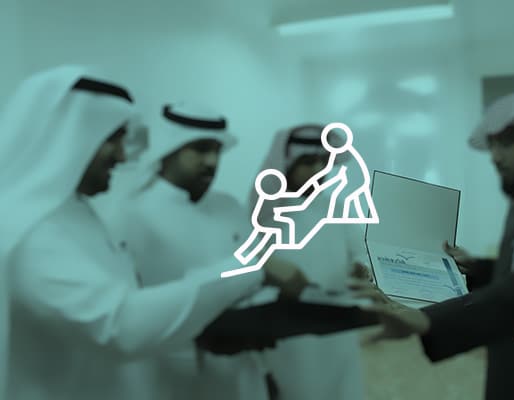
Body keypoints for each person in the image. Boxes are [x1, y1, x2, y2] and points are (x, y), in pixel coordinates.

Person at [0, 66, 306, 400]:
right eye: (111, 139)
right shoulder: (32, 230)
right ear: (70, 137)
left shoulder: (78, 214)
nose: (122, 155)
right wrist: (249, 269)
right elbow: (121, 326)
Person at [360, 92, 514, 400]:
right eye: (493, 145)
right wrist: (476, 269)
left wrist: (429, 320)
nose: (495, 157)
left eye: (507, 144)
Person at [92, 101, 304, 400]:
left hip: (242, 373)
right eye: (201, 149)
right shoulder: (128, 216)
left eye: (217, 150)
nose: (212, 161)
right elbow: (129, 317)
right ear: (168, 148)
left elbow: (255, 281)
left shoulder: (228, 208)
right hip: (172, 379)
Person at [251, 124, 372, 400]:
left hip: (338, 325)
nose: (318, 170)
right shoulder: (265, 212)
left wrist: (361, 267)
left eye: (323, 161)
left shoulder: (337, 207)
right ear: (286, 163)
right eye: (308, 162)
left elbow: (360, 251)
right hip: (289, 332)